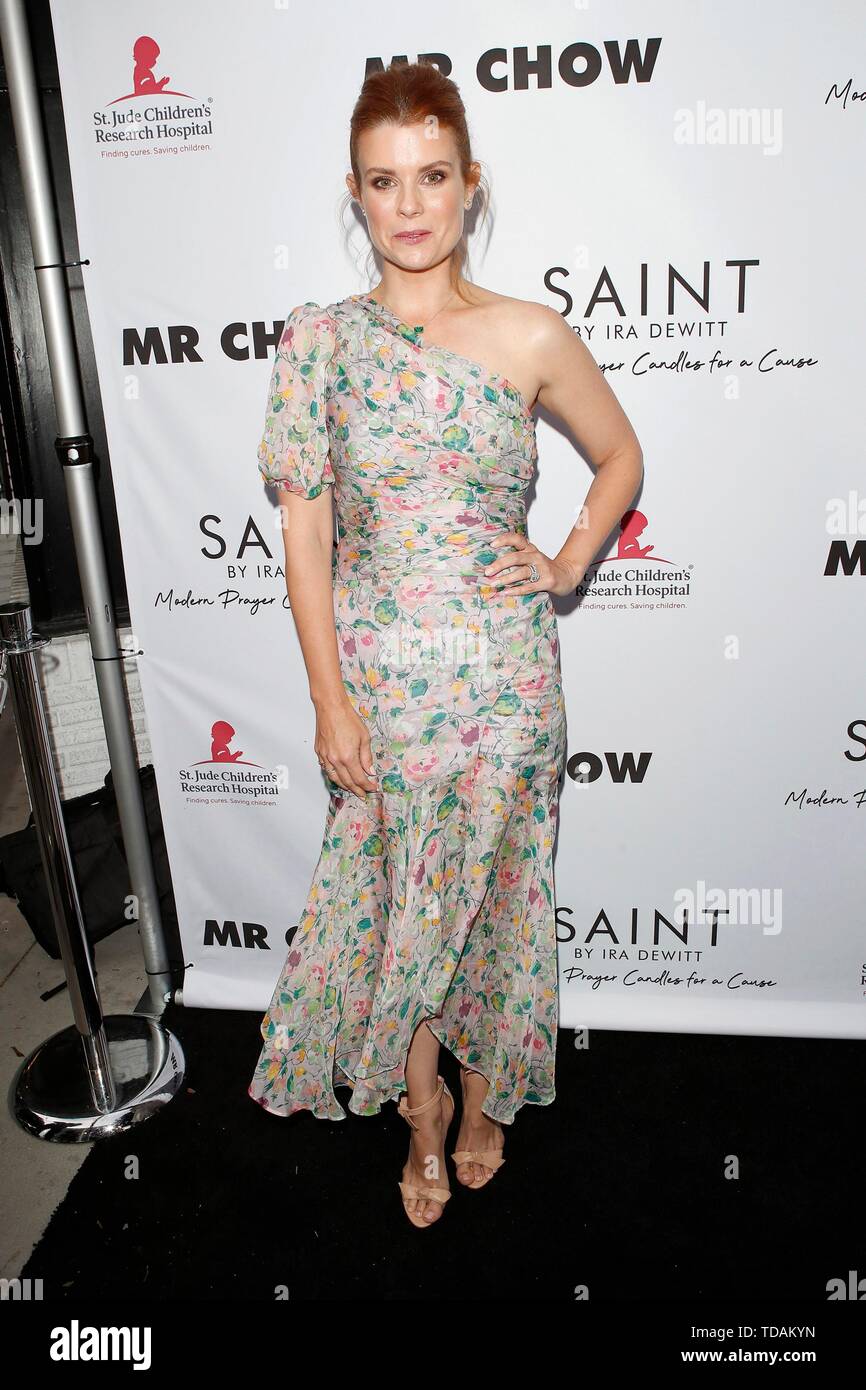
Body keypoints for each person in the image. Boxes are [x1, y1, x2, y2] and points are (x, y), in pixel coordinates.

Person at [248, 62, 643, 1229]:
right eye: (384, 182)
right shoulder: (316, 342)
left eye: (431, 177)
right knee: (402, 915)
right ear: (355, 196)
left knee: (500, 906)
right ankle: (417, 1117)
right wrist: (330, 701)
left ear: (470, 187)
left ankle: (485, 1101)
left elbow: (618, 457)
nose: (409, 205)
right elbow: (307, 541)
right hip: (382, 685)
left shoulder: (528, 331)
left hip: (507, 680)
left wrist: (567, 561)